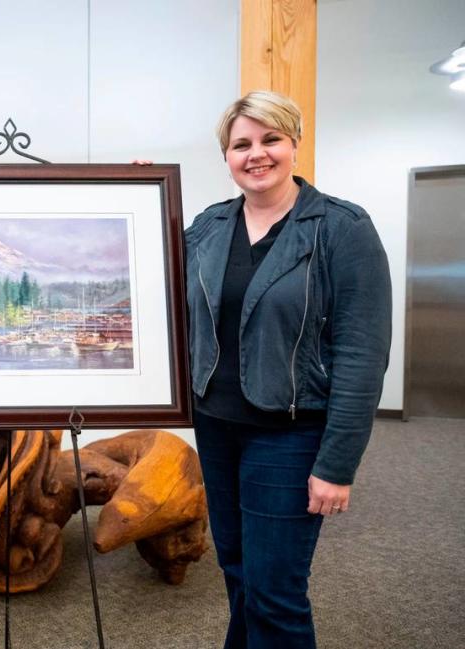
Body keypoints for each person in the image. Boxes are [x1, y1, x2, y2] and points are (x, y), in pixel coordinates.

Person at [184, 91, 391, 648]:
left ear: (294, 142)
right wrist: (130, 189)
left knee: (275, 592)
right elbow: (152, 283)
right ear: (226, 156)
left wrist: (338, 464)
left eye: (270, 139)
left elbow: (362, 354)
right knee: (238, 573)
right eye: (241, 144)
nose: (257, 154)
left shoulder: (342, 228)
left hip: (292, 433)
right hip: (217, 425)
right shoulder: (207, 227)